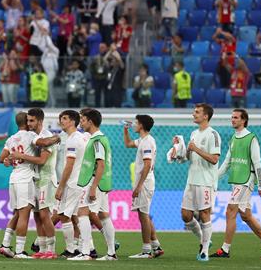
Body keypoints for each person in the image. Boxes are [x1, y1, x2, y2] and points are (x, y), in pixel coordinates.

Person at [211, 109, 261, 258]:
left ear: (244, 120)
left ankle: (225, 249)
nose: (232, 120)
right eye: (232, 117)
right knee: (246, 215)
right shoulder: (233, 139)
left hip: (246, 180)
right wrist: (212, 177)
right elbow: (227, 163)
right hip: (236, 181)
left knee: (230, 211)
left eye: (235, 117)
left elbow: (257, 162)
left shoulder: (251, 138)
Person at [170, 103, 221, 262]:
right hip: (191, 180)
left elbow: (214, 159)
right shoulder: (193, 133)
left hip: (205, 182)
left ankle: (204, 251)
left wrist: (196, 148)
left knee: (205, 213)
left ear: (206, 116)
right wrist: (178, 151)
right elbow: (189, 157)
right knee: (185, 215)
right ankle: (204, 239)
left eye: (197, 112)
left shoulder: (213, 135)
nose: (194, 114)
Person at [9, 108, 60, 259]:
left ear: (40, 121)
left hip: (46, 179)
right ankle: (42, 249)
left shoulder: (46, 137)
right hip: (34, 180)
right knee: (37, 216)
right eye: (28, 121)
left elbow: (42, 160)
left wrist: (20, 155)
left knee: (45, 214)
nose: (29, 123)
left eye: (32, 121)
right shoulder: (33, 137)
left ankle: (51, 249)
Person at [69, 108, 117, 261]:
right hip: (102, 182)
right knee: (103, 215)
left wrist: (93, 187)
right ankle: (111, 253)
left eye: (82, 120)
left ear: (90, 121)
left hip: (93, 182)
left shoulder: (96, 141)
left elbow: (100, 164)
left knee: (82, 213)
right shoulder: (101, 138)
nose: (80, 123)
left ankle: (85, 252)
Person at [0, 112, 38, 259]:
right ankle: (20, 251)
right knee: (24, 215)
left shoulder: (11, 139)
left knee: (17, 214)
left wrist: (9, 159)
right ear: (27, 123)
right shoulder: (32, 136)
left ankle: (5, 244)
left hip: (13, 178)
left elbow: (1, 159)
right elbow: (44, 144)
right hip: (25, 177)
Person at [123, 115, 164, 258]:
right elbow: (128, 144)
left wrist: (139, 185)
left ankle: (146, 250)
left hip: (145, 182)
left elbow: (147, 164)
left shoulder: (147, 142)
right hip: (143, 181)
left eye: (135, 122)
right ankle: (156, 246)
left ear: (141, 125)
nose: (134, 124)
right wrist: (125, 130)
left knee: (144, 215)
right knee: (143, 215)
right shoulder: (142, 140)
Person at [52, 110, 86, 258]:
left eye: (65, 118)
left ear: (73, 121)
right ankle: (79, 246)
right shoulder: (82, 137)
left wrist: (61, 186)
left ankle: (72, 249)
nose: (61, 121)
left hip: (72, 182)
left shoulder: (72, 140)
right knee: (73, 216)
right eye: (61, 118)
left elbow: (69, 165)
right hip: (80, 181)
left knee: (63, 215)